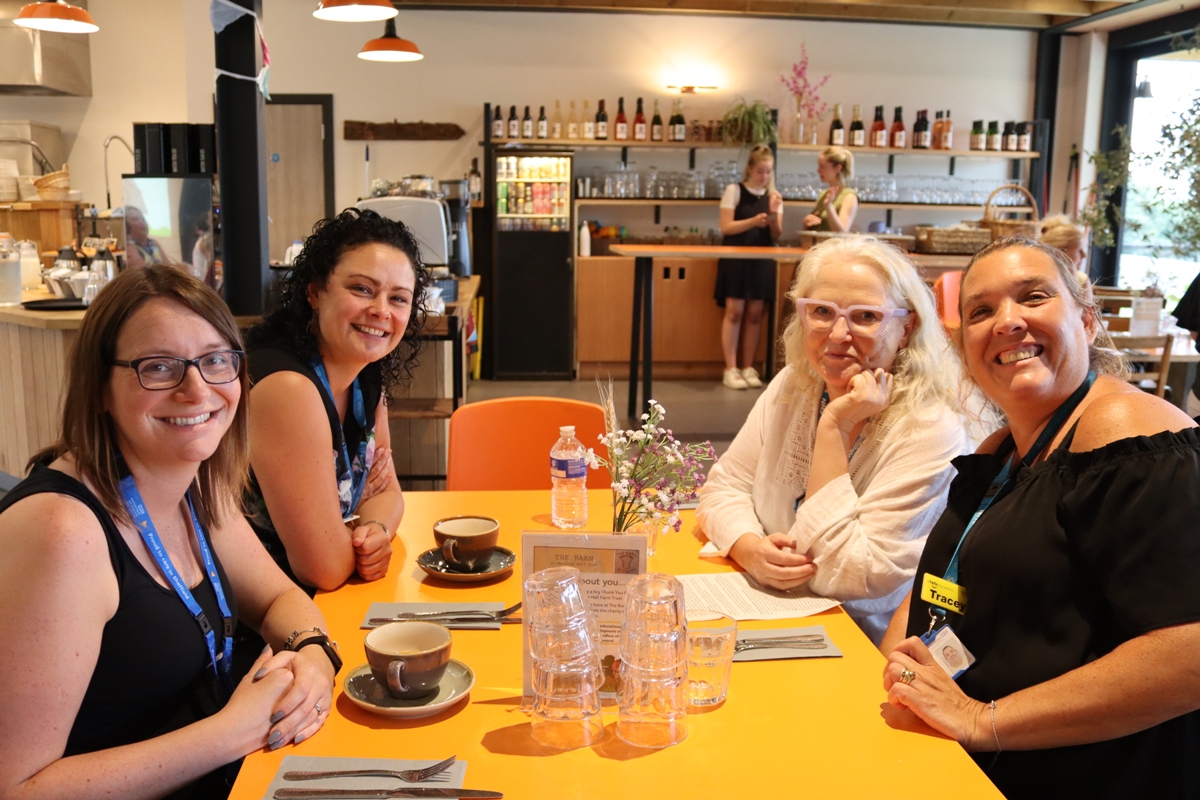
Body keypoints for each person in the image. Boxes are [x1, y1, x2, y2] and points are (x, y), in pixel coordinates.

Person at [0, 266, 339, 800]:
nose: (196, 388)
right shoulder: (61, 533)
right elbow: (16, 787)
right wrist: (232, 731)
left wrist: (315, 654)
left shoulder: (195, 482)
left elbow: (277, 597)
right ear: (98, 390)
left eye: (215, 360)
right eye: (158, 367)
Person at [880, 237, 1200, 799]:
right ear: (962, 345)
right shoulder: (1002, 449)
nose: (1007, 322)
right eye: (981, 311)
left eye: (1032, 297)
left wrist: (984, 720)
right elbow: (946, 578)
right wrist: (899, 662)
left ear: (1088, 321)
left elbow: (1189, 649)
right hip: (972, 761)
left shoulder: (1126, 430)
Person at [697, 236, 972, 644]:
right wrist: (748, 547)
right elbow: (724, 488)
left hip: (858, 643)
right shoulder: (796, 384)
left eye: (865, 316)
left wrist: (834, 428)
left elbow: (850, 574)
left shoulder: (931, 428)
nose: (838, 334)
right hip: (765, 613)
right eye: (822, 312)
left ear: (905, 327)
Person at [243, 208, 428, 592]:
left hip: (318, 601)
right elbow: (323, 568)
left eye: (398, 298)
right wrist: (360, 528)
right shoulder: (287, 389)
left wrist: (374, 527)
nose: (381, 310)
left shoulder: (365, 373)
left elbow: (390, 494)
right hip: (257, 621)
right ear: (314, 291)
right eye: (362, 289)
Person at [715, 144, 784, 390]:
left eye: (768, 172)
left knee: (755, 314)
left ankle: (748, 366)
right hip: (735, 257)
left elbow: (776, 234)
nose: (764, 176)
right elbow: (726, 227)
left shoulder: (774, 197)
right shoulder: (734, 190)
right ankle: (730, 368)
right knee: (734, 311)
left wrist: (774, 215)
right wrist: (754, 221)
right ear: (750, 169)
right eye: (760, 171)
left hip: (761, 259)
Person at [803, 146, 858, 233]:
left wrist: (829, 207)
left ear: (838, 168)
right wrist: (807, 223)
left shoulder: (849, 197)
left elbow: (842, 232)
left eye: (823, 167)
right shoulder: (824, 194)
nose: (818, 170)